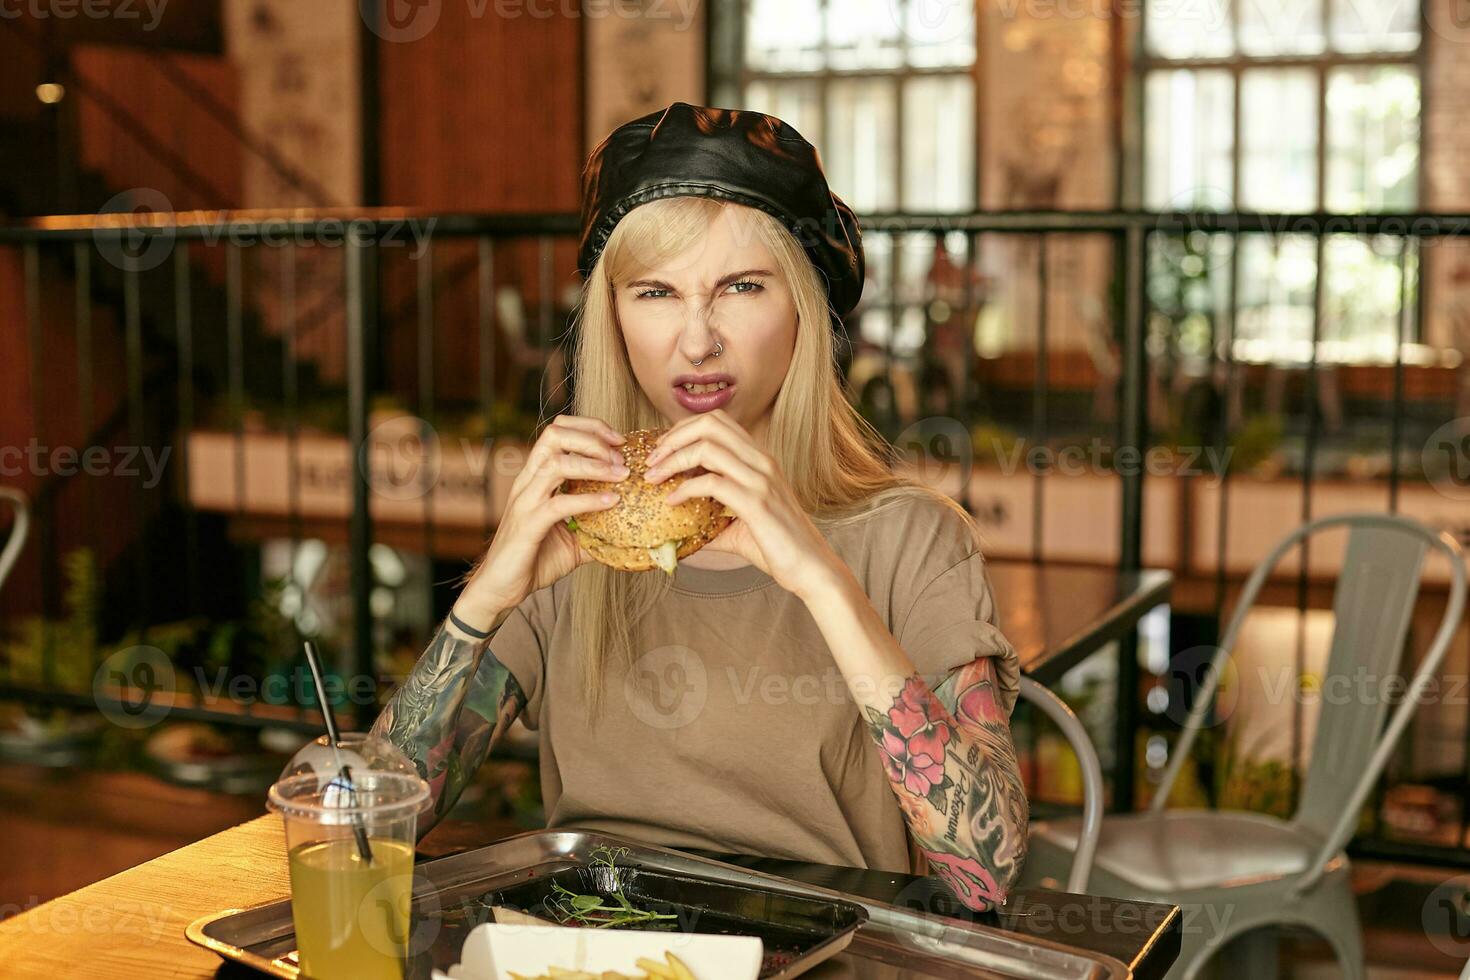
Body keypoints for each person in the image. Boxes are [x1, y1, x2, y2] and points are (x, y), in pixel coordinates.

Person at [370, 102, 1027, 912]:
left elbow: (987, 874)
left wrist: (822, 579)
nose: (696, 341)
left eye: (741, 286)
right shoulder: (578, 527)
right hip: (589, 949)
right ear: (613, 316)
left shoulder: (911, 538)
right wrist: (485, 600)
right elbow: (369, 838)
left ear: (805, 307)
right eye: (655, 292)